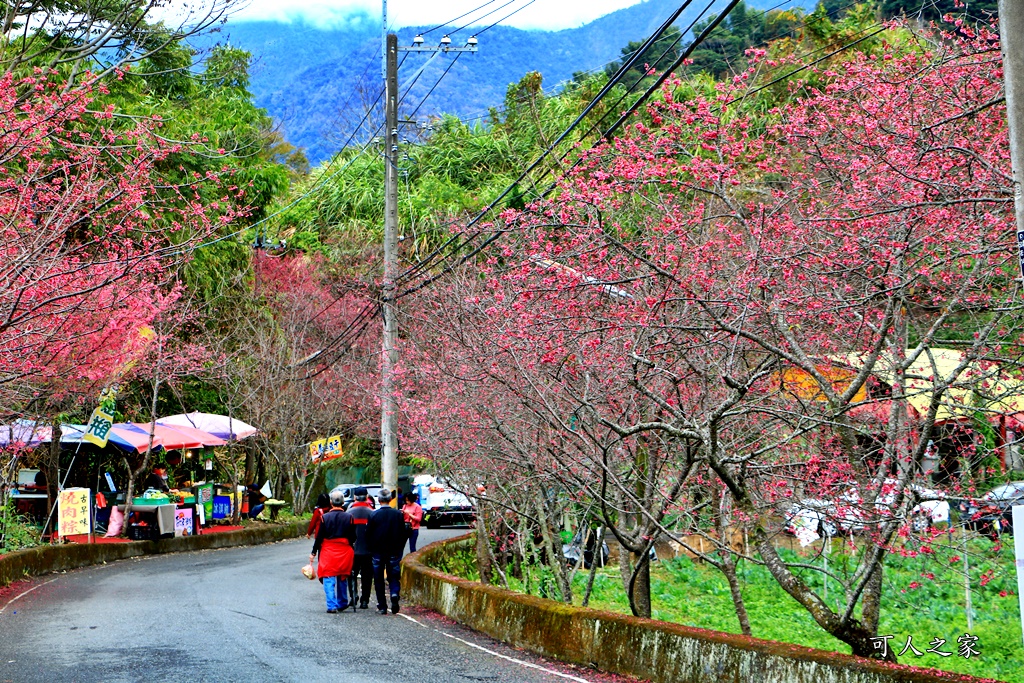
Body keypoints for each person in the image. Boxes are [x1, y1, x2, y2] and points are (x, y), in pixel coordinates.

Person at [309, 490, 357, 613]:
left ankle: (332, 605)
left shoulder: (325, 517)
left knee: (329, 577)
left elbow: (319, 537)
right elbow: (353, 537)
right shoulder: (349, 517)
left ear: (331, 502)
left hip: (328, 551)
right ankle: (342, 602)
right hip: (344, 551)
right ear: (343, 502)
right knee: (342, 576)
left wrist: (313, 552)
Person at [367, 488, 407, 615]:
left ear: (379, 500)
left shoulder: (373, 515)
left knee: (378, 578)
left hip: (378, 551)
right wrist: (400, 548)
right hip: (394, 550)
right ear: (390, 499)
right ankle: (394, 593)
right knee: (394, 576)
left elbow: (368, 534)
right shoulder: (398, 515)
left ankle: (382, 606)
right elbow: (403, 533)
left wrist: (371, 548)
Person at [346, 486, 375, 609]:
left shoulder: (348, 513)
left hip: (352, 550)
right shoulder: (373, 513)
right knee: (367, 576)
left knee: (351, 575)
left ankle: (353, 596)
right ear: (367, 497)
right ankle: (365, 601)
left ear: (355, 498)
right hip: (368, 551)